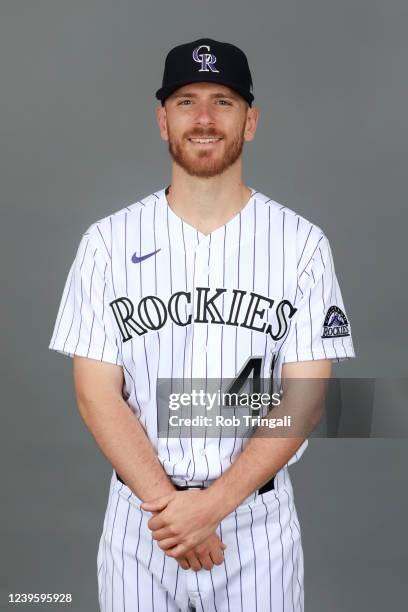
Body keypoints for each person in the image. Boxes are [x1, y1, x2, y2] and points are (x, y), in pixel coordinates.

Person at [49, 38, 356, 612]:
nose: (206, 119)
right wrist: (175, 511)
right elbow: (96, 396)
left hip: (254, 525)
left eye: (224, 100)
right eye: (187, 101)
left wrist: (212, 506)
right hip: (144, 522)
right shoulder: (107, 244)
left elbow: (308, 397)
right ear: (163, 120)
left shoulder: (301, 246)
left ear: (252, 120)